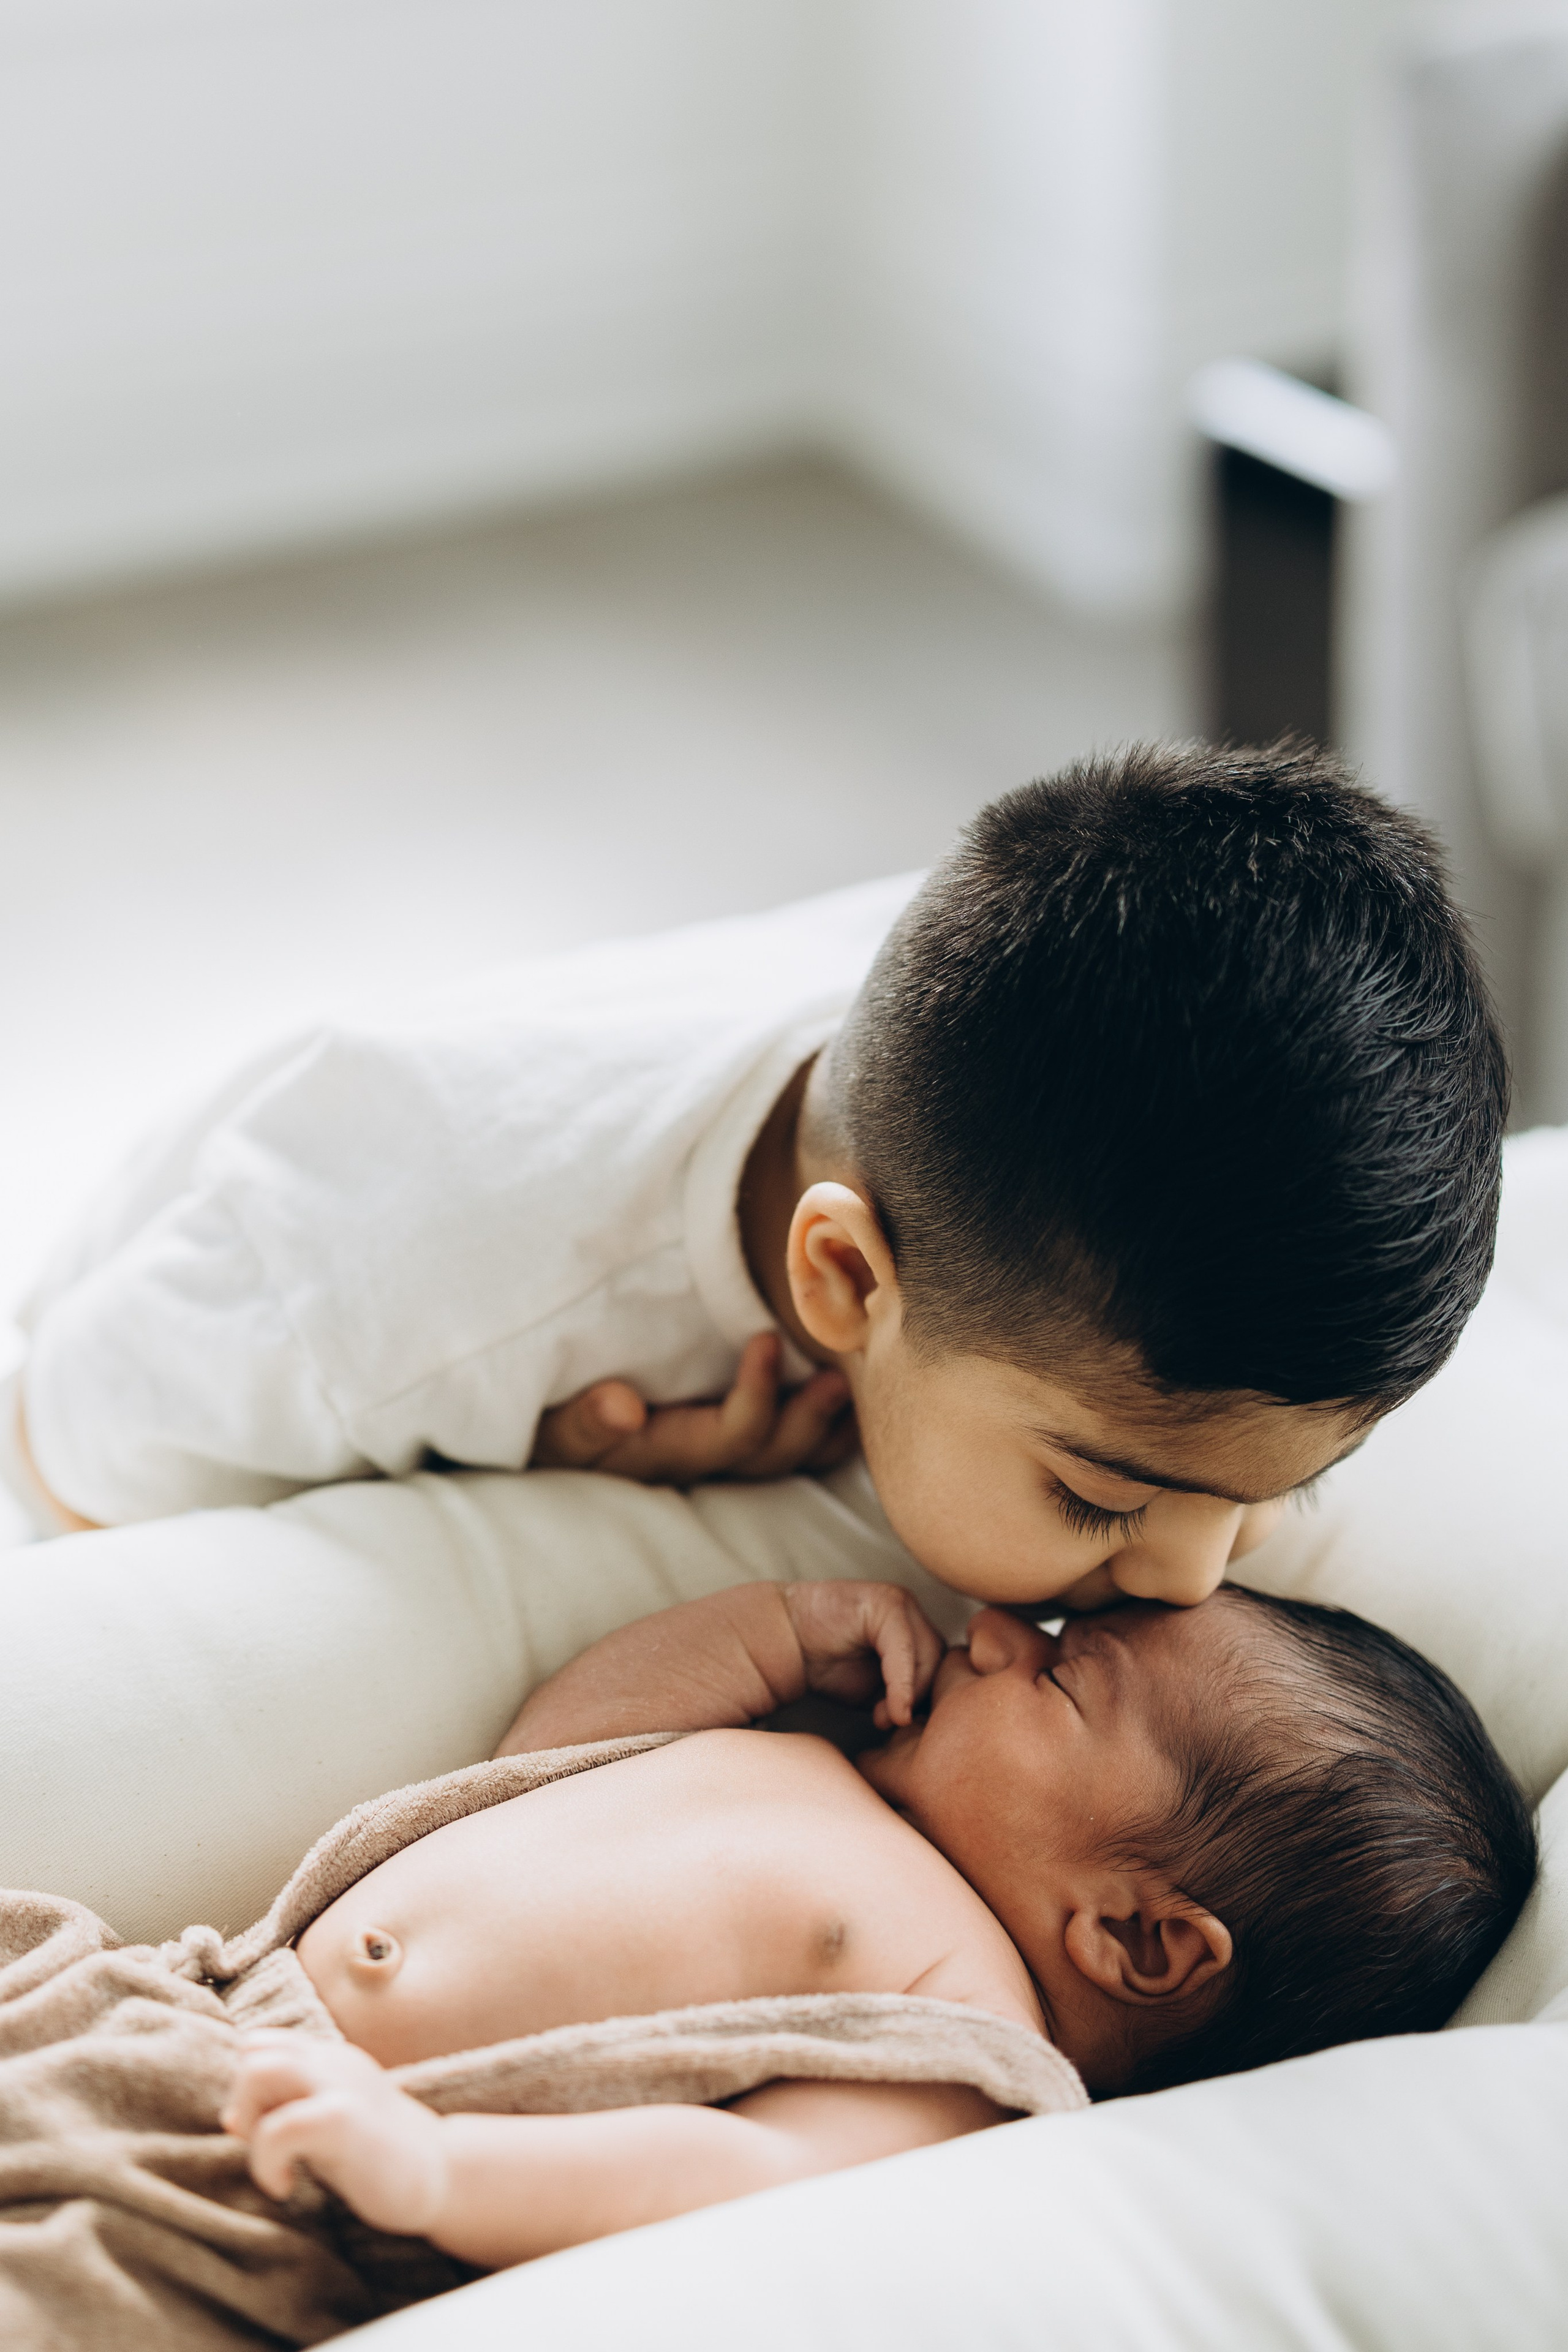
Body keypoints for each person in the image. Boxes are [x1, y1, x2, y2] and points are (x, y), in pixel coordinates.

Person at [7, 742, 1506, 1614]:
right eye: (1101, 1498)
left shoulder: (995, 1056)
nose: (1191, 1581)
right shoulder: (406, 1292)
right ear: (843, 1277)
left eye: (1283, 1496)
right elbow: (76, 1457)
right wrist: (520, 1479)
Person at [217, 1574, 1534, 2274]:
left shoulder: (967, 2035)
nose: (1006, 1631)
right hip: (189, 2005)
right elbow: (539, 1766)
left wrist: (437, 2172)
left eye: (1068, 1669)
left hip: (302, 2201)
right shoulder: (830, 1764)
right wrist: (771, 1637)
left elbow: (743, 2185)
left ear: (1135, 1940)